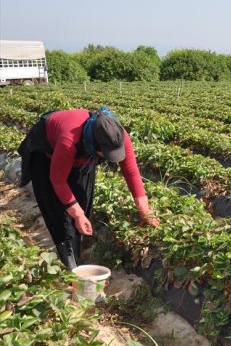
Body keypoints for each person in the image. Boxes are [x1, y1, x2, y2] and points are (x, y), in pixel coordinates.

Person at [17, 107, 160, 270]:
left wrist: (145, 210)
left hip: (79, 157)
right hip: (46, 155)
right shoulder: (68, 140)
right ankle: (69, 261)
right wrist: (76, 214)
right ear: (95, 146)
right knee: (57, 209)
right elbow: (58, 181)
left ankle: (77, 254)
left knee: (83, 201)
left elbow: (131, 172)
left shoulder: (118, 136)